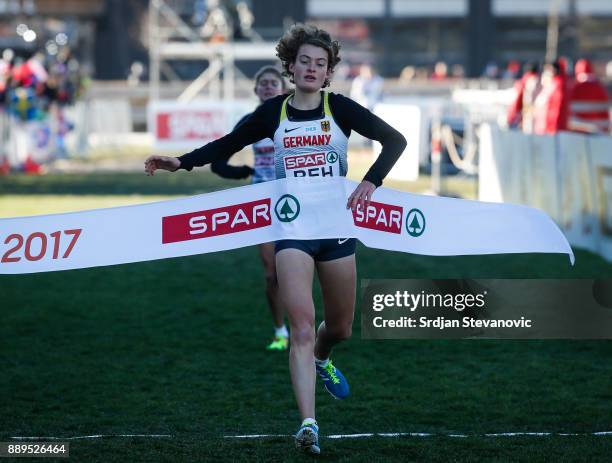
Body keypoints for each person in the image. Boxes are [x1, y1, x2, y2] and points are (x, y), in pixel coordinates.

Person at [144, 23, 406, 455]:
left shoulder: (340, 108)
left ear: (328, 72)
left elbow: (394, 141)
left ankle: (324, 357)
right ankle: (309, 423)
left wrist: (371, 182)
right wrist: (180, 162)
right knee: (300, 327)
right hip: (291, 231)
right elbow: (227, 143)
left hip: (336, 229)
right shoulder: (273, 113)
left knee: (338, 326)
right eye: (304, 61)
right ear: (290, 65)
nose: (311, 68)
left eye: (320, 64)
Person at [210, 65, 290, 351]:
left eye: (273, 83)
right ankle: (281, 331)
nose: (268, 87)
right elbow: (217, 161)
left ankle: (305, 326)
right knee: (272, 273)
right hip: (262, 202)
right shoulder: (250, 121)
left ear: (283, 89)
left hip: (297, 200)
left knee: (299, 268)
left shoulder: (296, 116)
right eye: (263, 83)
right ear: (256, 91)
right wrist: (244, 171)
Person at [568, 58, 610, 134]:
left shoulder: (574, 87)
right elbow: (605, 111)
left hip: (577, 130)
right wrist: (605, 128)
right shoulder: (599, 88)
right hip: (597, 129)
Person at [533, 59, 569, 135]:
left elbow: (557, 108)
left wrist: (553, 128)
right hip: (545, 128)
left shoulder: (558, 85)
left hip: (552, 130)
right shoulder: (551, 84)